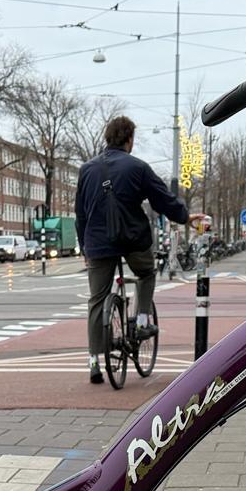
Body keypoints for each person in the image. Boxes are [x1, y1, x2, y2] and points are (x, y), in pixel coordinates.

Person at [74, 115, 190, 385]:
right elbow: (163, 200)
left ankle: (94, 361)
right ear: (129, 139)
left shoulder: (86, 170)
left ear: (107, 138)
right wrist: (184, 216)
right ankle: (141, 320)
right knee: (146, 273)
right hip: (133, 239)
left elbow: (80, 214)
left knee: (97, 299)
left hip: (98, 243)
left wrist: (85, 247)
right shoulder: (138, 167)